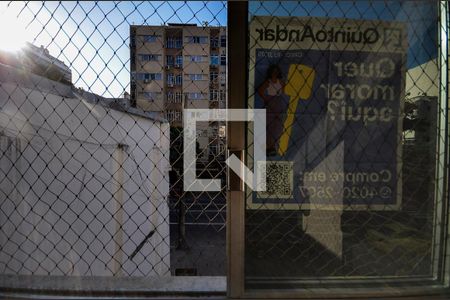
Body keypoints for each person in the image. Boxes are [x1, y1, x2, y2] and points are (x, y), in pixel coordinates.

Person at [257, 64, 286, 156]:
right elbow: (260, 91)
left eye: (276, 71)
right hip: (271, 102)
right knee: (270, 125)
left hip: (278, 102)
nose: (275, 73)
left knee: (277, 126)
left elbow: (284, 90)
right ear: (271, 72)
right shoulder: (268, 82)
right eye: (273, 71)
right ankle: (269, 147)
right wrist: (267, 98)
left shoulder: (280, 82)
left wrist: (280, 97)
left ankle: (273, 147)